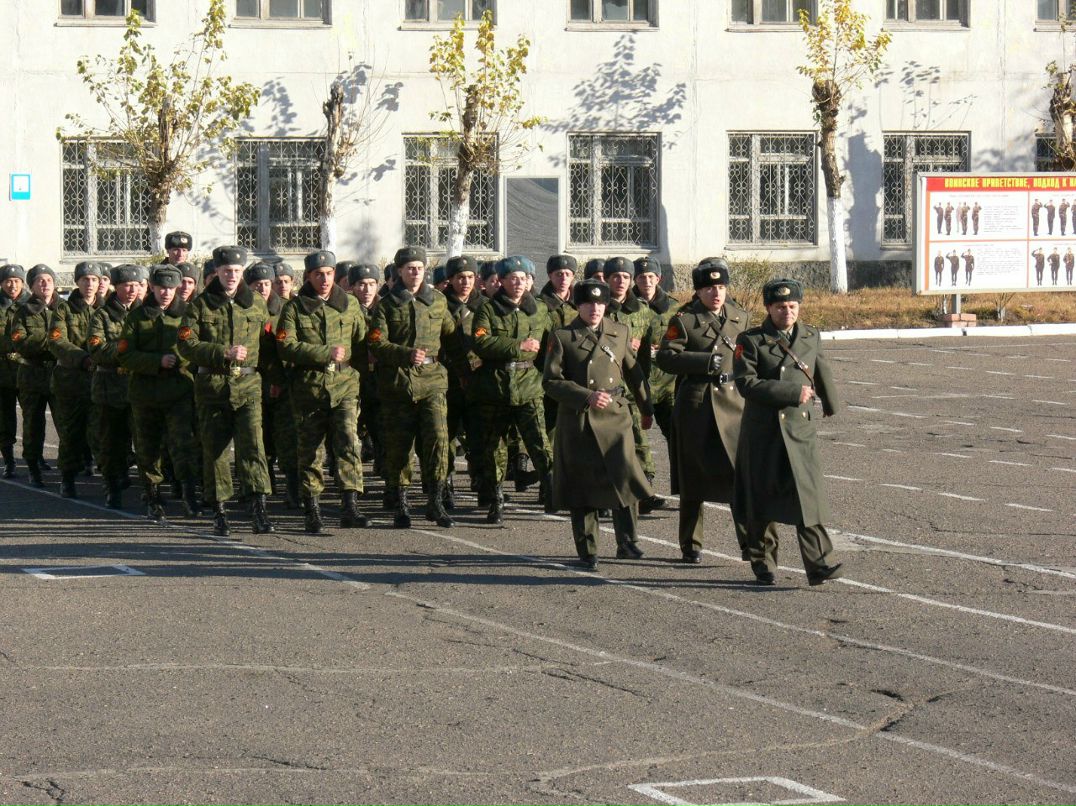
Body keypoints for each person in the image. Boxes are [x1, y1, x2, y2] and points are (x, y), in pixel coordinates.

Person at [657, 258, 775, 564]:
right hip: (697, 405)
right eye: (709, 288)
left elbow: (753, 357)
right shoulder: (684, 320)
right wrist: (703, 362)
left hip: (734, 404)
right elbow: (666, 357)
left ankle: (750, 543)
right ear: (698, 291)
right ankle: (690, 544)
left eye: (721, 287)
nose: (717, 293)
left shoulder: (739, 316)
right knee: (693, 478)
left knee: (740, 475)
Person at [732, 279, 843, 587]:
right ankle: (763, 562)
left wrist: (830, 403)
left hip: (799, 429)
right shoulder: (751, 340)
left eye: (793, 306)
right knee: (762, 500)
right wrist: (792, 393)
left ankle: (818, 563)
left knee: (808, 498)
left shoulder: (810, 335)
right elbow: (746, 383)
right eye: (780, 307)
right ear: (769, 308)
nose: (787, 312)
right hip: (764, 432)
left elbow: (820, 369)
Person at [543, 280, 653, 570]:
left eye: (600, 304)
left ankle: (628, 541)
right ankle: (587, 548)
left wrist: (646, 408)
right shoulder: (563, 337)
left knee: (625, 477)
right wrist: (585, 396)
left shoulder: (619, 331)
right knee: (583, 485)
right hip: (579, 418)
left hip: (615, 416)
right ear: (578, 306)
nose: (595, 309)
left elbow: (634, 371)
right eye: (588, 304)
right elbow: (551, 381)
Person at [176, 245, 275, 536]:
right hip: (213, 387)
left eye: (236, 270)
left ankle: (258, 508)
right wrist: (222, 352)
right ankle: (219, 511)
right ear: (217, 272)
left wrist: (276, 379)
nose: (231, 275)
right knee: (215, 450)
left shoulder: (256, 304)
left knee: (253, 446)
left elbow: (268, 345)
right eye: (226, 270)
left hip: (248, 385)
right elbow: (185, 344)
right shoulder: (200, 306)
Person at [367, 246, 461, 529]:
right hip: (399, 384)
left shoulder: (438, 301)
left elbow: (452, 336)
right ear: (399, 271)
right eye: (410, 268)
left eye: (419, 267)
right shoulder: (386, 305)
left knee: (438, 441)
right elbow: (376, 343)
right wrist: (404, 354)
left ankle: (435, 500)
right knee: (399, 446)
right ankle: (401, 503)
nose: (415, 272)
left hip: (433, 381)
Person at [277, 250, 369, 533]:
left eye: (329, 273)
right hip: (310, 388)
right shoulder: (294, 308)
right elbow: (285, 345)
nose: (325, 279)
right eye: (318, 274)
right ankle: (312, 509)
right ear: (308, 276)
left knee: (348, 442)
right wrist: (323, 353)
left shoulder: (349, 304)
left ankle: (350, 506)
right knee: (311, 450)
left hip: (344, 385)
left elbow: (361, 341)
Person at [471, 255, 553, 524]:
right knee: (495, 447)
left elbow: (553, 340)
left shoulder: (540, 309)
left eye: (523, 278)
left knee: (539, 442)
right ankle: (496, 499)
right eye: (512, 279)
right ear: (502, 281)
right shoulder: (487, 309)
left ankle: (552, 490)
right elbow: (481, 342)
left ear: (530, 281)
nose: (518, 283)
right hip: (495, 387)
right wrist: (518, 346)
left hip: (529, 384)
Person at [119, 265, 200, 521]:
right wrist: (156, 361)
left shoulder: (188, 314)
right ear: (152, 287)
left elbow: (197, 347)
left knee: (183, 444)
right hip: (145, 393)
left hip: (179, 391)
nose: (166, 293)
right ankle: (152, 495)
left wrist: (179, 360)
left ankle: (188, 494)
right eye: (161, 288)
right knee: (148, 447)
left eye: (171, 288)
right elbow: (125, 354)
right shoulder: (137, 317)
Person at [603, 256, 664, 515]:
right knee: (607, 443)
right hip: (604, 387)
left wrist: (644, 392)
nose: (621, 281)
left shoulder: (642, 312)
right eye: (615, 276)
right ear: (607, 279)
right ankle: (606, 494)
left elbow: (645, 359)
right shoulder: (597, 307)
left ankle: (644, 491)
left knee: (639, 440)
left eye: (626, 277)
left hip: (630, 387)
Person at [48, 260, 103, 498]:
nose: (89, 284)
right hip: (70, 381)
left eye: (94, 279)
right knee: (70, 432)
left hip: (100, 381)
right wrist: (83, 358)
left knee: (101, 430)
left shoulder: (106, 309)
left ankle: (109, 477)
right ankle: (68, 477)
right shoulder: (64, 309)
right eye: (85, 279)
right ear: (77, 282)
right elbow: (57, 341)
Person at [87, 264, 140, 509]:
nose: (132, 290)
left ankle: (148, 489)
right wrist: (126, 348)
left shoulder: (144, 313)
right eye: (126, 285)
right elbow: (97, 349)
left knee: (143, 440)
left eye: (136, 285)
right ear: (115, 287)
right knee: (110, 441)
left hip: (139, 386)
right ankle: (111, 486)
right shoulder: (102, 315)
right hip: (109, 387)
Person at [9, 265, 60, 487]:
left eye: (48, 279)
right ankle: (33, 466)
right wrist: (52, 340)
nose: (45, 284)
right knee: (33, 425)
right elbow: (20, 343)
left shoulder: (63, 309)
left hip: (59, 375)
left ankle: (67, 468)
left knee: (65, 423)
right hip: (32, 375)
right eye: (40, 280)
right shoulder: (23, 311)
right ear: (31, 286)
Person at [442, 254, 485, 506]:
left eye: (470, 277)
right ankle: (445, 482)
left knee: (477, 432)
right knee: (446, 435)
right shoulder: (440, 305)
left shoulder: (485, 306)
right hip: (448, 379)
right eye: (460, 277)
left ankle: (479, 478)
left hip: (478, 378)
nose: (466, 282)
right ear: (450, 279)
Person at [632, 255, 677, 471]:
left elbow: (682, 340)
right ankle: (645, 479)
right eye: (641, 277)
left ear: (658, 278)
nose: (646, 281)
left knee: (676, 435)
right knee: (637, 438)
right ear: (635, 279)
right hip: (636, 383)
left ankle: (682, 478)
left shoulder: (673, 308)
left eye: (651, 276)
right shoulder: (626, 307)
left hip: (667, 384)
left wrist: (665, 348)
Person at [0, 264, 30, 478]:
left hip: (27, 370)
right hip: (2, 371)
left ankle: (33, 458)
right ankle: (9, 460)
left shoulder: (32, 304)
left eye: (17, 281)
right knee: (4, 418)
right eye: (8, 281)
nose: (12, 285)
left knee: (32, 416)